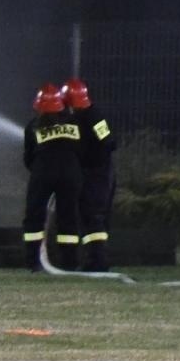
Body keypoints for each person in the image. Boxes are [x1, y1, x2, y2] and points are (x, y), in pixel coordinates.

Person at [21, 82, 83, 271]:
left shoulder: (33, 126)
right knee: (68, 218)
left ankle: (33, 263)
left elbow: (28, 158)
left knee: (34, 217)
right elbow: (81, 151)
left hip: (42, 174)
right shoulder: (74, 124)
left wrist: (41, 172)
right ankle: (70, 263)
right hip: (70, 175)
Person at [62, 77, 117, 272]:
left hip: (98, 174)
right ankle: (93, 260)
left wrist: (88, 157)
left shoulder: (94, 116)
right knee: (88, 216)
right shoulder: (78, 117)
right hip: (90, 174)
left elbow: (109, 143)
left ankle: (98, 262)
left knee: (93, 216)